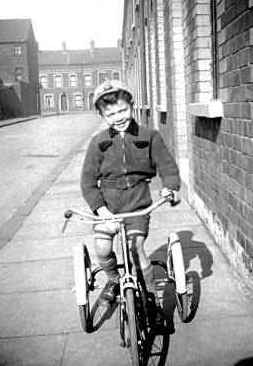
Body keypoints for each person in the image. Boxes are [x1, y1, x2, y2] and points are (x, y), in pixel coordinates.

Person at [81, 79, 181, 324]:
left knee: (136, 250)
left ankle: (151, 302)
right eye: (111, 114)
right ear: (103, 115)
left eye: (122, 110)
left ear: (131, 105)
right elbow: (87, 181)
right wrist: (100, 209)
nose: (118, 118)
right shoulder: (98, 142)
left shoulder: (150, 136)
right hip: (108, 207)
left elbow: (167, 167)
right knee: (103, 247)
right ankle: (114, 279)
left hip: (138, 205)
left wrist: (171, 187)